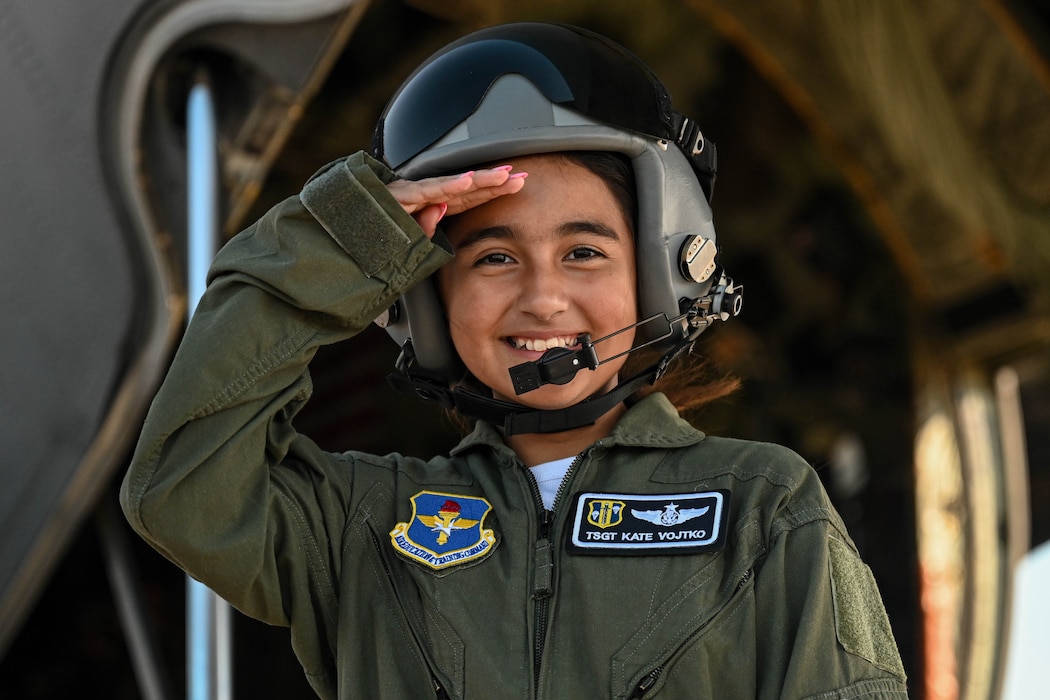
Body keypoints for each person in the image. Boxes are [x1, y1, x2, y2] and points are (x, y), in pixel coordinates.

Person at [121, 22, 908, 699]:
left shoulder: (764, 509)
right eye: (493, 257)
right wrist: (348, 236)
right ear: (428, 294)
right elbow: (182, 484)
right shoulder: (363, 527)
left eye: (585, 252)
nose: (543, 298)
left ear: (662, 271)